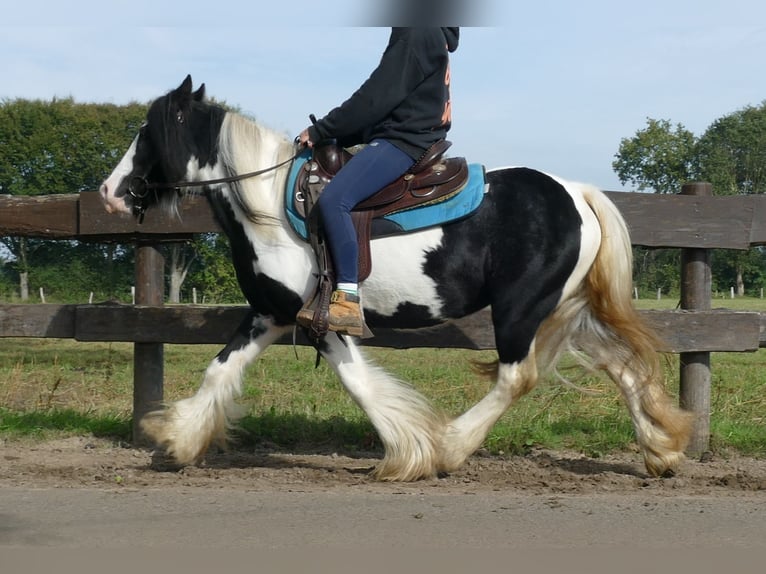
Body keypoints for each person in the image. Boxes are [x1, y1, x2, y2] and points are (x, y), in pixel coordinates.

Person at [296, 27, 460, 336]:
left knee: (334, 201)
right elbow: (388, 104)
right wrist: (337, 133)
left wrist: (320, 130)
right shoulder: (430, 30)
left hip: (404, 142)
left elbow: (375, 98)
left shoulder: (416, 31)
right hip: (410, 135)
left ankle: (346, 299)